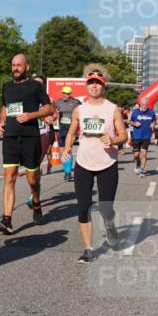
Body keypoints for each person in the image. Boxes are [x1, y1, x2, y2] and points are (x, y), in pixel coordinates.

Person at [61, 67, 127, 263]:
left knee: (106, 209)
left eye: (98, 82)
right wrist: (66, 148)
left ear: (103, 86)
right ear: (87, 86)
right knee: (83, 207)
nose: (94, 86)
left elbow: (123, 134)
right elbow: (72, 133)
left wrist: (113, 141)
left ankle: (110, 225)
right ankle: (88, 249)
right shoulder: (79, 109)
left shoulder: (112, 108)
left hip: (107, 163)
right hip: (83, 162)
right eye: (91, 83)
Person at [0, 54, 54, 233]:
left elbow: (49, 108)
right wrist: (1, 122)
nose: (15, 68)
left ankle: (36, 202)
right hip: (11, 137)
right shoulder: (6, 86)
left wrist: (31, 115)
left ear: (27, 67)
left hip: (30, 137)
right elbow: (5, 107)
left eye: (19, 65)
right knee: (9, 177)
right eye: (13, 65)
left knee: (32, 179)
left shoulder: (35, 86)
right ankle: (7, 219)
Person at [54, 86, 81, 183]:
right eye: (63, 93)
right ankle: (66, 171)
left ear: (70, 94)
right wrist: (54, 115)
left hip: (71, 130)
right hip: (62, 129)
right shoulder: (58, 102)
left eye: (66, 93)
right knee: (62, 152)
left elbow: (82, 111)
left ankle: (68, 172)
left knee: (68, 150)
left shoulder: (76, 102)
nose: (64, 95)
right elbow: (53, 111)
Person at [129, 97, 156, 176]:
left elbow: (154, 120)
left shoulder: (151, 112)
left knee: (144, 153)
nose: (144, 106)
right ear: (140, 104)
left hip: (146, 136)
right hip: (137, 135)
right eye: (143, 104)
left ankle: (142, 170)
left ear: (148, 104)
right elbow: (130, 121)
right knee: (136, 155)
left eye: (146, 105)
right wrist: (134, 124)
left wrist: (153, 124)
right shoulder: (135, 112)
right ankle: (138, 162)